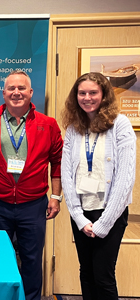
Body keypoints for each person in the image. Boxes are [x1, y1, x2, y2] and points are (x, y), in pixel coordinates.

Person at [0, 70, 63, 300]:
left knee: (32, 260)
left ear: (31, 92)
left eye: (22, 88)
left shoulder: (48, 125)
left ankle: (32, 298)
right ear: (3, 93)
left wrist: (55, 197)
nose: (17, 93)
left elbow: (57, 163)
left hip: (33, 205)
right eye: (12, 88)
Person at [61, 72, 135, 300]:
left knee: (103, 276)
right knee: (87, 273)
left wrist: (104, 223)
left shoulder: (119, 125)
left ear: (104, 95)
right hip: (82, 213)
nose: (87, 97)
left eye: (93, 92)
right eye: (82, 93)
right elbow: (66, 173)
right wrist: (79, 217)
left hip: (110, 213)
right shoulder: (74, 128)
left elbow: (125, 177)